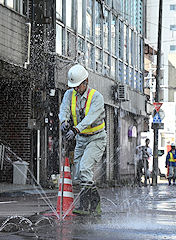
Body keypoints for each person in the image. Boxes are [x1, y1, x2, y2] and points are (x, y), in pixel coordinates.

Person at [59, 64, 107, 215]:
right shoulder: (69, 94)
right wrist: (64, 122)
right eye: (73, 86)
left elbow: (90, 117)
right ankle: (95, 204)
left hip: (96, 139)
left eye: (78, 86)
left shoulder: (97, 97)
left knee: (85, 167)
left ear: (86, 81)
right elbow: (64, 109)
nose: (76, 89)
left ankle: (85, 206)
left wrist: (75, 129)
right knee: (79, 173)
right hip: (81, 139)